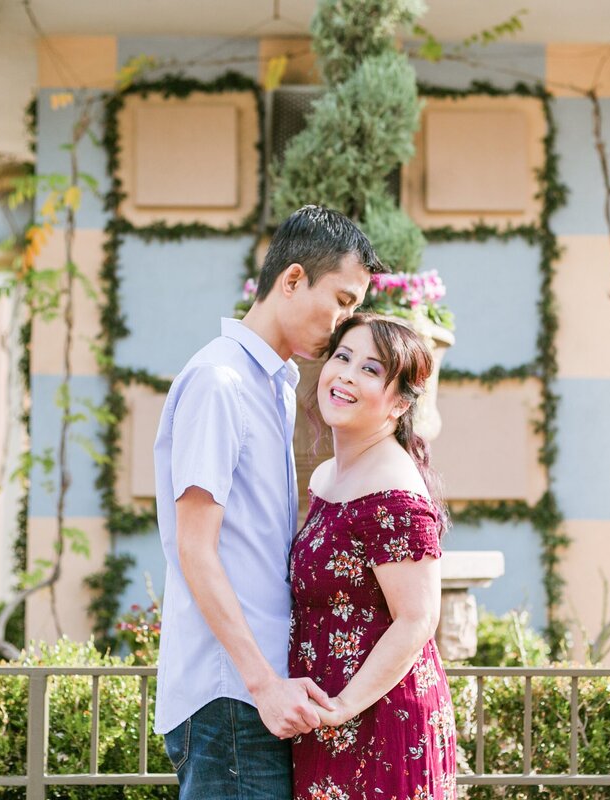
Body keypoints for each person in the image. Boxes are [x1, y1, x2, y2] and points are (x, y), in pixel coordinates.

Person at [153, 206, 385, 800]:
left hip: (254, 694)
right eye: (340, 299)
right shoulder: (220, 382)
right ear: (291, 280)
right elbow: (194, 548)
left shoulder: (272, 386)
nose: (342, 323)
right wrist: (263, 686)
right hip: (233, 697)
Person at [290, 313, 457, 800]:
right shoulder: (326, 477)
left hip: (380, 720)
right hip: (324, 717)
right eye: (342, 357)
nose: (345, 374)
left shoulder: (394, 488)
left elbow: (417, 619)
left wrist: (343, 706)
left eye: (371, 369)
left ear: (399, 402)